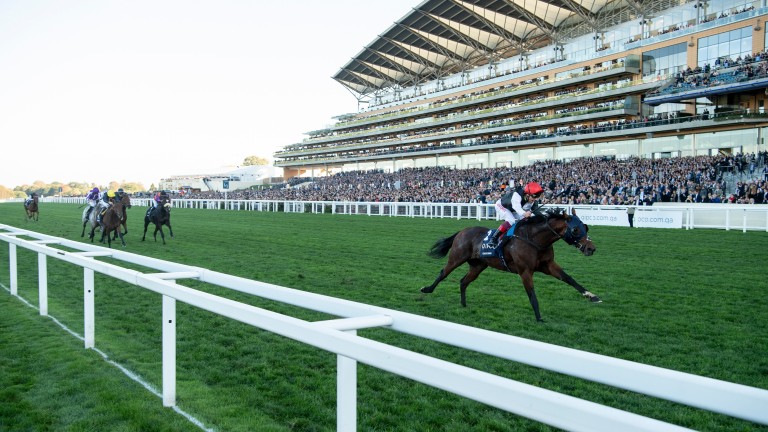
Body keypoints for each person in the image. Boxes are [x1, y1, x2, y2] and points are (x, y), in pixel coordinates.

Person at [490, 181, 544, 246]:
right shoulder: (517, 194)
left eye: (537, 197)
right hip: (501, 206)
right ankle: (494, 238)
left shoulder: (533, 200)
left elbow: (536, 212)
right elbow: (516, 207)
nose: (535, 199)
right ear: (527, 195)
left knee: (527, 219)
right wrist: (525, 213)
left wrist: (544, 217)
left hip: (512, 210)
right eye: (534, 197)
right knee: (511, 220)